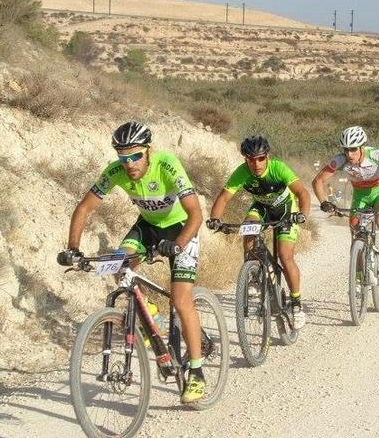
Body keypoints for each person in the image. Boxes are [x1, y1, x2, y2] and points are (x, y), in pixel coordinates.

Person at [57, 121, 207, 403]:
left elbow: (196, 214)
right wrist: (73, 248)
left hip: (181, 229)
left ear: (148, 151)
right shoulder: (116, 171)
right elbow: (85, 207)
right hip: (148, 227)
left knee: (181, 300)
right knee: (118, 264)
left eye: (135, 155)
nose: (129, 163)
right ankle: (152, 317)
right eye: (123, 157)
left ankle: (197, 373)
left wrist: (178, 245)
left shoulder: (167, 164)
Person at [206, 135, 310, 329]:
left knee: (286, 258)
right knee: (248, 228)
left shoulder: (278, 168)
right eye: (251, 159)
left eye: (260, 158)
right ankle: (253, 275)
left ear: (267, 156)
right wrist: (215, 219)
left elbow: (302, 193)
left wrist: (302, 214)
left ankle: (296, 305)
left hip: (287, 209)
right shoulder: (242, 172)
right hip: (262, 208)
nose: (256, 164)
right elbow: (223, 198)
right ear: (245, 159)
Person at [311, 126, 379, 268]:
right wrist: (324, 202)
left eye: (353, 149)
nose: (349, 154)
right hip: (360, 196)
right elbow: (318, 181)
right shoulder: (340, 160)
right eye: (346, 149)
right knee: (355, 231)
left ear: (361, 147)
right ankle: (359, 276)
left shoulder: (376, 155)